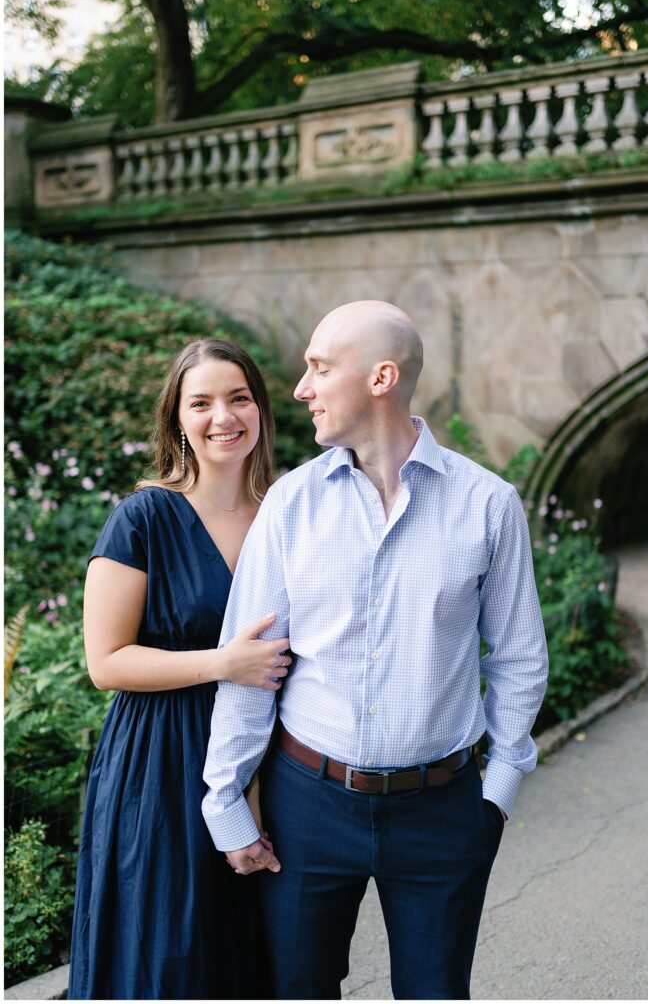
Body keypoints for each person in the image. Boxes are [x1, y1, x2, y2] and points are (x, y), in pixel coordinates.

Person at [202, 302, 548, 1000]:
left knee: (434, 993)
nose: (300, 388)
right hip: (306, 806)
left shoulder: (487, 504)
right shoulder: (291, 505)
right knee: (298, 989)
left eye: (320, 368)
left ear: (382, 378)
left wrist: (497, 792)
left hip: (444, 811)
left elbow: (516, 657)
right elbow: (250, 667)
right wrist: (226, 803)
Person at [68, 338, 289, 1000]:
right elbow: (105, 661)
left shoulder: (287, 515)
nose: (223, 416)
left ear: (259, 411)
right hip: (160, 763)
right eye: (202, 403)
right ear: (177, 421)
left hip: (268, 760)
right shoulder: (143, 519)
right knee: (165, 952)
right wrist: (226, 663)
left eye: (238, 398)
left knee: (250, 954)